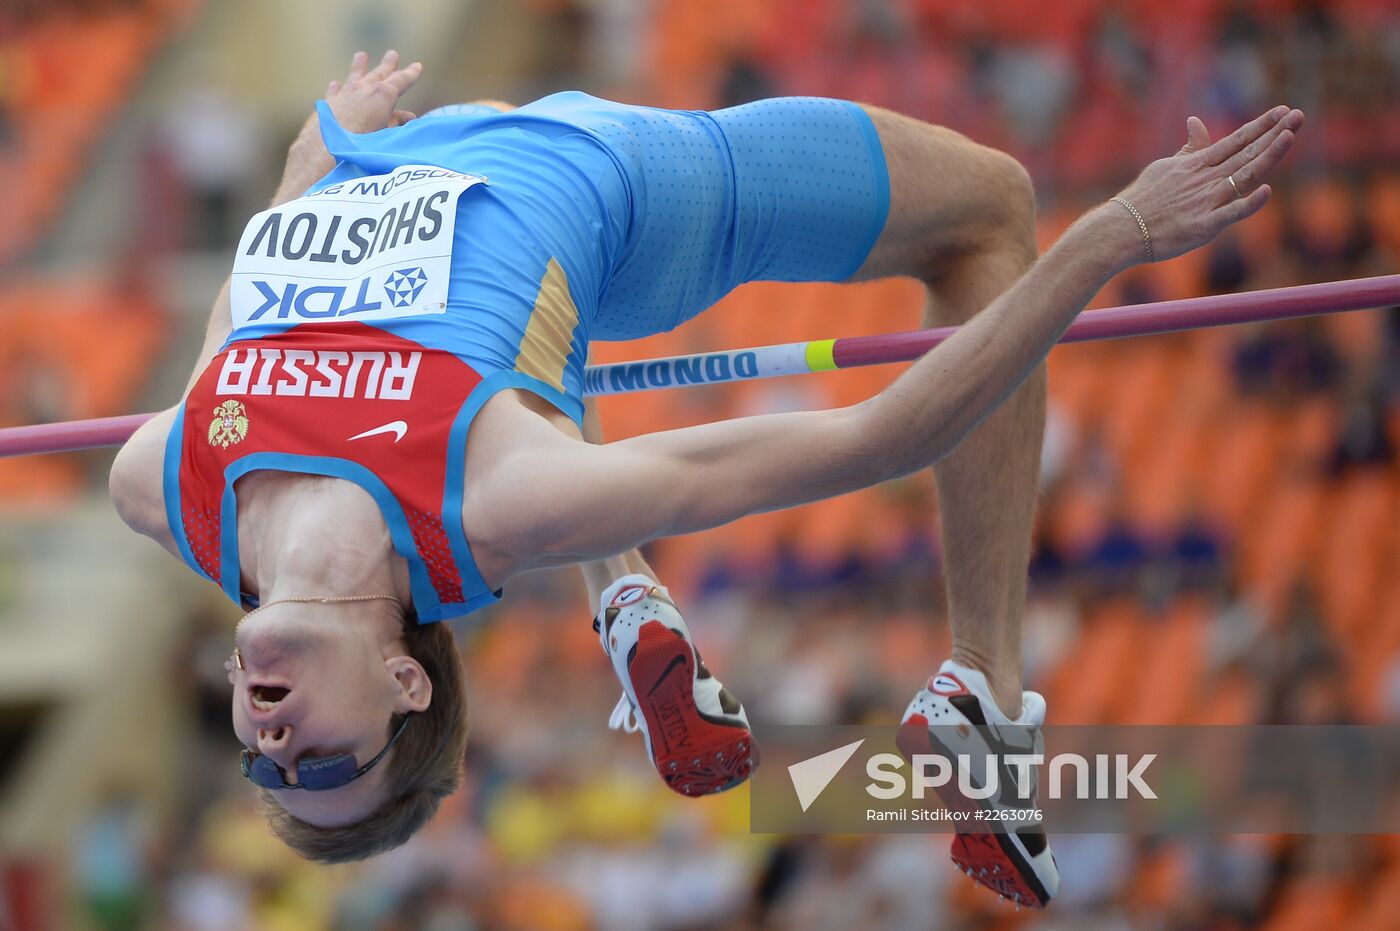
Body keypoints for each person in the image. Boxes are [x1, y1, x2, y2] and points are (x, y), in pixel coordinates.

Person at [108, 50, 1303, 906]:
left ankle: (621, 592)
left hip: (386, 155)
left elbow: (246, 297)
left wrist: (310, 155)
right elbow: (871, 439)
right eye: (323, 762)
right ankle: (981, 680)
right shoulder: (491, 498)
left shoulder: (163, 482)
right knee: (990, 207)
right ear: (401, 687)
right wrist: (1109, 238)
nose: (270, 741)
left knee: (542, 388)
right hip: (610, 184)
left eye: (265, 766)